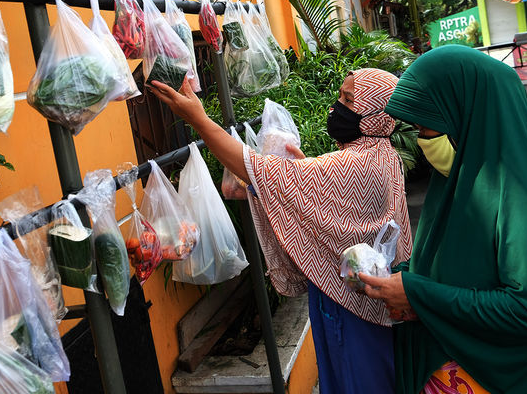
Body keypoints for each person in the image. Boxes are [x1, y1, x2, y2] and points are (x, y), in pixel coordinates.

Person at [358, 45, 527, 394]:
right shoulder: (457, 185)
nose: (423, 140)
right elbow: (446, 271)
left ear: (468, 116)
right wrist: (401, 282)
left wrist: (417, 294)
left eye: (428, 127)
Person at [149, 68, 413, 394]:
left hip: (350, 307)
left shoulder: (355, 163)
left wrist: (198, 119)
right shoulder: (382, 154)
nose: (336, 108)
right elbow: (340, 203)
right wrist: (303, 179)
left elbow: (255, 168)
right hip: (366, 300)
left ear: (375, 114)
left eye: (348, 101)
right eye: (339, 97)